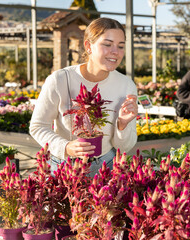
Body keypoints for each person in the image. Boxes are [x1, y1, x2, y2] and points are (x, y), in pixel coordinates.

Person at [29, 17, 138, 176]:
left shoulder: (126, 85)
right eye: (107, 44)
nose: (115, 51)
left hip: (105, 166)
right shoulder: (60, 79)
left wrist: (122, 125)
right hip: (64, 167)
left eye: (120, 46)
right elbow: (38, 126)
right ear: (88, 46)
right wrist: (66, 147)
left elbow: (125, 146)